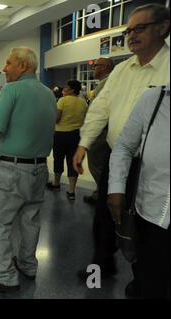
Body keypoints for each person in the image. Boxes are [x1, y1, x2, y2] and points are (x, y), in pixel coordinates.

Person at [72, 3, 169, 297]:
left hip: (154, 169)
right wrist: (83, 144)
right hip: (119, 158)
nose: (131, 35)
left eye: (140, 28)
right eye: (128, 30)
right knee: (104, 217)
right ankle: (101, 264)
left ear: (162, 28)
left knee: (147, 227)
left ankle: (144, 278)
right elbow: (100, 107)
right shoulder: (122, 69)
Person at [0, 47, 56, 293]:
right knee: (30, 221)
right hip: (39, 169)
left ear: (22, 65)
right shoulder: (48, 94)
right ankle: (28, 265)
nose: (4, 68)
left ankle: (6, 278)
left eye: (8, 63)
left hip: (10, 170)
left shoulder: (11, 90)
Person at [108, 84, 169, 299]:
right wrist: (116, 188)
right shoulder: (155, 99)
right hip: (151, 216)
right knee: (150, 282)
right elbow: (124, 146)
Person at [47, 80, 88, 200]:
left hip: (60, 134)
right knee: (73, 161)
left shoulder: (62, 100)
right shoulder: (83, 102)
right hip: (76, 135)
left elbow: (57, 119)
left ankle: (56, 184)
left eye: (66, 88)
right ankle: (71, 191)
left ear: (72, 90)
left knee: (58, 159)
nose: (64, 90)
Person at [83, 57, 114, 205]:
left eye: (95, 66)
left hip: (102, 132)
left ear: (104, 67)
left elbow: (101, 112)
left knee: (97, 165)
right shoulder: (103, 84)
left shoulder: (108, 84)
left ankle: (105, 197)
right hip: (103, 130)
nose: (93, 69)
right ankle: (99, 193)